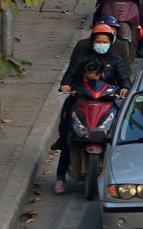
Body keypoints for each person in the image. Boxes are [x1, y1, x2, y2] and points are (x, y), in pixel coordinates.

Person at [53, 23, 130, 193]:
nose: (101, 44)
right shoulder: (82, 56)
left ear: (110, 42)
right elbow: (70, 73)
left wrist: (124, 87)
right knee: (68, 133)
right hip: (82, 99)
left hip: (108, 101)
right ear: (92, 41)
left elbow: (124, 77)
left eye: (104, 41)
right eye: (98, 41)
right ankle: (60, 177)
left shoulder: (115, 60)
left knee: (122, 126)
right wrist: (66, 85)